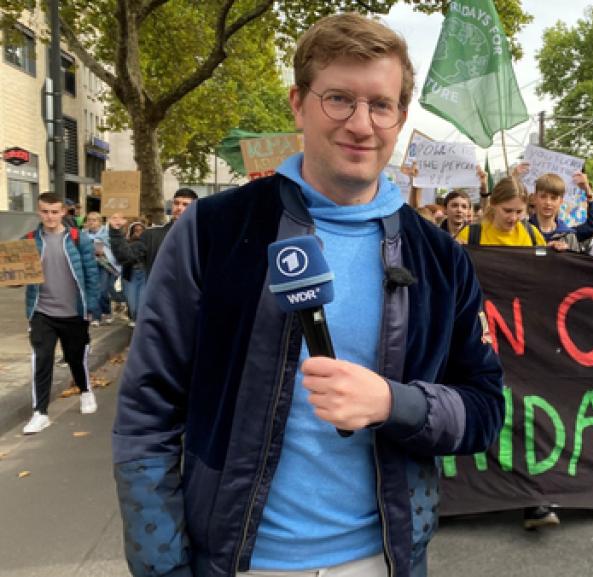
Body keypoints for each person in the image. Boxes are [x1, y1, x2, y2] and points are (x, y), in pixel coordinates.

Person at [112, 13, 504, 577]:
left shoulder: (441, 260)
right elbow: (146, 412)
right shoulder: (211, 230)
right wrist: (163, 566)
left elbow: (486, 410)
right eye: (339, 98)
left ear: (399, 117)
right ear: (298, 103)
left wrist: (395, 403)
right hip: (237, 562)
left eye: (380, 104)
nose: (360, 123)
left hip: (384, 558)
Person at [20, 192, 101, 434]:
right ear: (38, 211)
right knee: (41, 360)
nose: (50, 216)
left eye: (55, 211)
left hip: (73, 312)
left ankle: (85, 390)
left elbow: (91, 276)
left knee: (76, 357)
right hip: (42, 311)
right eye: (45, 211)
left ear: (63, 212)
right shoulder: (30, 240)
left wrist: (92, 308)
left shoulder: (79, 239)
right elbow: (19, 275)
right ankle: (40, 413)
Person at [108, 187, 198, 278]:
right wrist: (116, 232)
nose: (179, 207)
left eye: (185, 204)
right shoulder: (151, 235)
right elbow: (126, 257)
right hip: (160, 291)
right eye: (176, 203)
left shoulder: (204, 236)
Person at [455, 176, 545, 246]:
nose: (513, 218)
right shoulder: (470, 235)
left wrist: (553, 251)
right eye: (507, 211)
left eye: (519, 212)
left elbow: (543, 258)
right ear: (493, 204)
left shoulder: (532, 233)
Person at [528, 171, 593, 251]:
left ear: (561, 201)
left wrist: (588, 190)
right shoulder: (523, 229)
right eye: (543, 196)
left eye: (553, 198)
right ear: (535, 198)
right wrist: (547, 249)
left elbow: (573, 262)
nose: (548, 202)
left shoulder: (568, 235)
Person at [83, 211, 120, 325]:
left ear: (99, 222)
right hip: (90, 264)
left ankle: (107, 311)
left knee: (103, 290)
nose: (91, 222)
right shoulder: (83, 234)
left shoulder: (107, 233)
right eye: (89, 220)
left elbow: (115, 247)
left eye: (94, 220)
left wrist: (103, 251)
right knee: (94, 290)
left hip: (105, 265)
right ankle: (96, 317)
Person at [120, 220, 147, 327]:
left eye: (141, 230)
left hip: (144, 273)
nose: (138, 233)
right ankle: (133, 317)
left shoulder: (149, 243)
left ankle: (140, 321)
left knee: (142, 300)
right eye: (135, 230)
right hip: (130, 275)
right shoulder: (126, 244)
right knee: (132, 303)